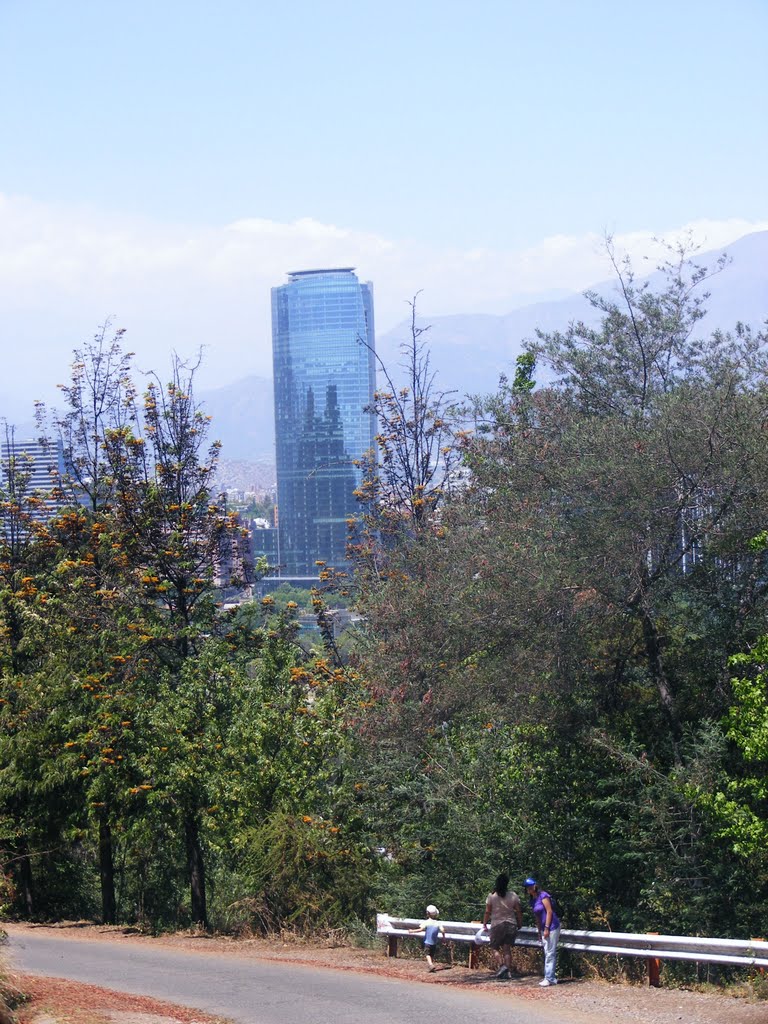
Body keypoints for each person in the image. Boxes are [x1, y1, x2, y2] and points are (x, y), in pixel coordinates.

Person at [481, 873, 523, 979]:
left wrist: (485, 923)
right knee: (507, 949)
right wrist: (519, 923)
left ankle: (502, 966)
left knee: (494, 947)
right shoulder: (513, 895)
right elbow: (518, 911)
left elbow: (487, 912)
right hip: (511, 924)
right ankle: (508, 972)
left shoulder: (492, 896)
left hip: (497, 924)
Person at [525, 876, 561, 986]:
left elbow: (549, 911)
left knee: (550, 952)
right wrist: (539, 931)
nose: (529, 889)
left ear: (535, 886)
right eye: (527, 888)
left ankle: (548, 978)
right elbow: (537, 916)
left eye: (530, 887)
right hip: (543, 928)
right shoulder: (533, 900)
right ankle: (552, 977)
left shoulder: (543, 895)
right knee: (547, 952)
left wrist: (546, 928)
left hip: (552, 926)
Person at [408, 904, 446, 971]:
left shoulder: (426, 922)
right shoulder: (438, 923)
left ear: (427, 913)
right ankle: (431, 965)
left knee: (427, 954)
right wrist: (443, 938)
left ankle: (431, 965)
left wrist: (412, 931)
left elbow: (420, 929)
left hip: (427, 942)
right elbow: (443, 930)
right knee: (432, 954)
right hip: (434, 942)